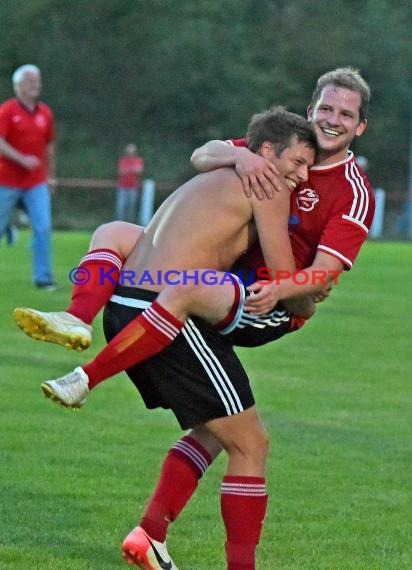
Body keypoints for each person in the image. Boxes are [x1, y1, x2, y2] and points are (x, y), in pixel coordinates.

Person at [14, 68, 375, 569]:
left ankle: (86, 376)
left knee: (190, 302)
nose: (333, 120)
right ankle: (149, 532)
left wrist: (299, 294)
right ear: (312, 109)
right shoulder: (283, 144)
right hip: (223, 285)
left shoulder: (348, 189)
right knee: (218, 425)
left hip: (264, 300)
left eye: (346, 114)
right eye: (327, 109)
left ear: (360, 127)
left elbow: (317, 278)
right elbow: (203, 153)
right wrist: (239, 153)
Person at [0, 64, 57, 290]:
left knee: (42, 226)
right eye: (31, 80)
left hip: (37, 181)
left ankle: (43, 278)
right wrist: (21, 159)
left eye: (38, 80)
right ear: (19, 85)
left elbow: (50, 148)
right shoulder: (7, 111)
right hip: (6, 180)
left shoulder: (45, 113)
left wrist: (51, 176)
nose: (37, 84)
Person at [115, 143, 144, 222]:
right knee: (120, 208)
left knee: (131, 208)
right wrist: (132, 169)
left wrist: (127, 170)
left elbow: (139, 170)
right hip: (123, 187)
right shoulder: (123, 160)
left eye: (132, 152)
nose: (130, 153)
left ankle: (129, 224)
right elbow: (121, 171)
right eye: (129, 152)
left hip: (133, 188)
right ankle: (119, 223)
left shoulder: (138, 160)